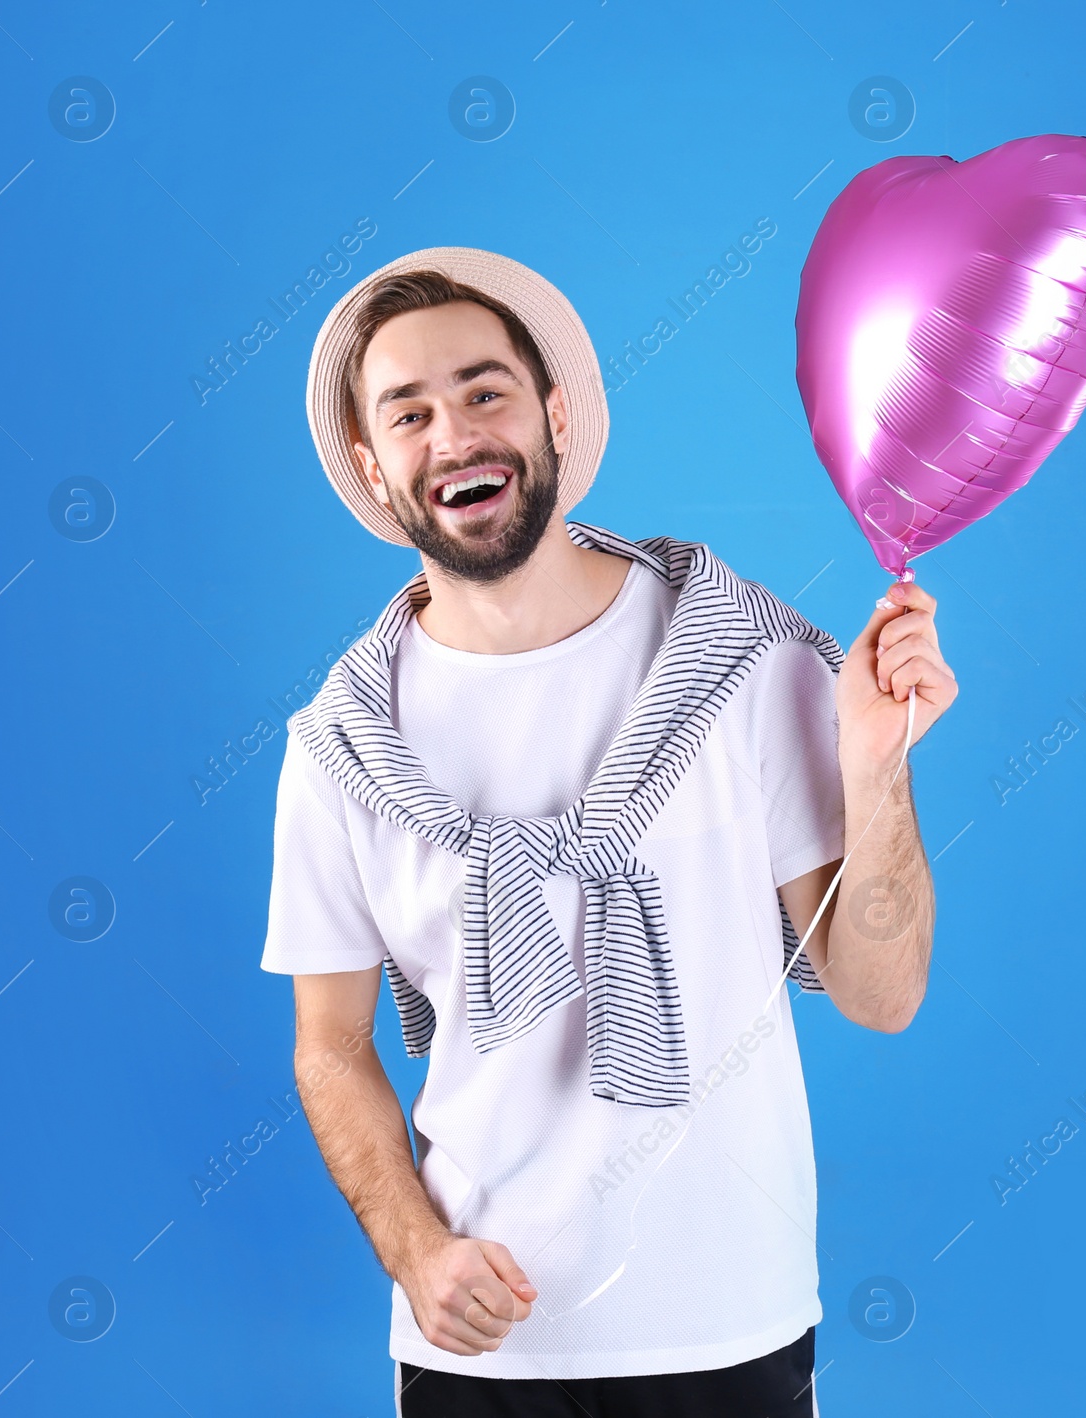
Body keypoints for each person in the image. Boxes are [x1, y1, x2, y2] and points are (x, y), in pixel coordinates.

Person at [259, 246, 957, 1416]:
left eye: (485, 391)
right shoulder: (341, 747)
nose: (456, 434)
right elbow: (328, 1045)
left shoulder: (743, 666)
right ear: (378, 472)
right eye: (411, 413)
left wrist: (875, 770)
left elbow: (881, 993)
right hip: (482, 1348)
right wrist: (415, 1250)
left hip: (732, 1324)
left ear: (556, 412)